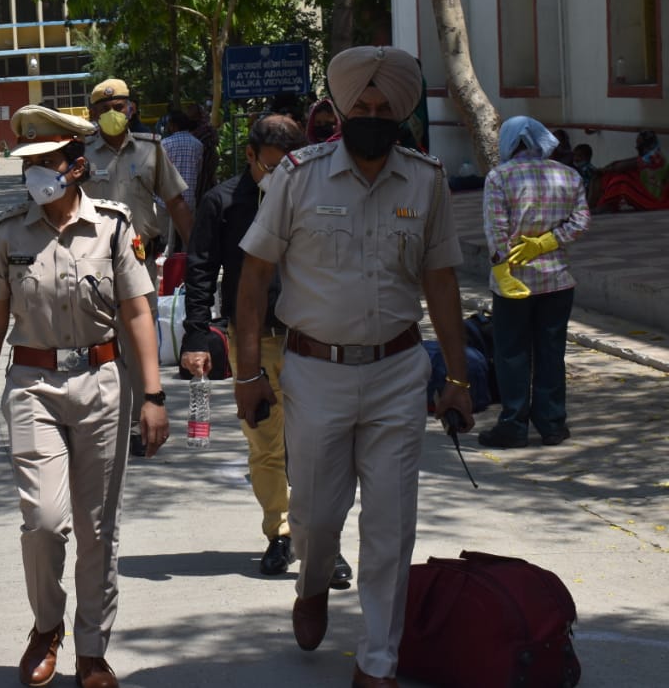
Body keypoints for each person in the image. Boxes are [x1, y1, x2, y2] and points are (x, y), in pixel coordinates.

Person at [233, 46, 474, 688]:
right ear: (341, 112)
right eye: (359, 107)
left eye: (382, 108)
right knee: (313, 512)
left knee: (392, 522)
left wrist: (456, 380)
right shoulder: (298, 176)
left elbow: (443, 283)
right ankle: (312, 583)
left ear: (399, 115)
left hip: (398, 372)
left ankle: (378, 661)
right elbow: (255, 277)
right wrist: (248, 371)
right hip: (315, 373)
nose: (371, 115)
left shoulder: (426, 180)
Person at [0, 105, 168, 688]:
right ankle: (45, 626)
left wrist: (152, 393)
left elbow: (137, 313)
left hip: (104, 384)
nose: (35, 174)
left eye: (46, 162)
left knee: (98, 527)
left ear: (76, 165)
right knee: (46, 522)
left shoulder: (112, 225)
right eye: (28, 163)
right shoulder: (9, 233)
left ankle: (90, 649)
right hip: (33, 386)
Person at [179, 114, 353, 588]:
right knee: (265, 442)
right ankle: (279, 532)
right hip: (251, 341)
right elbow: (200, 270)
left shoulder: (318, 198)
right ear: (251, 156)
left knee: (319, 447)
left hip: (314, 340)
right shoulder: (223, 202)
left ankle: (324, 543)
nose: (281, 175)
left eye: (291, 165)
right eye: (272, 165)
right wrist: (196, 337)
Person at [84, 78, 192, 456]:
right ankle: (99, 425)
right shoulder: (81, 153)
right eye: (106, 108)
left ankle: (139, 422)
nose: (115, 114)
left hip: (139, 261)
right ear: (93, 113)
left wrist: (196, 255)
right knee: (96, 347)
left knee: (137, 345)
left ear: (131, 109)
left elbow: (176, 203)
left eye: (121, 107)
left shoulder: (151, 150)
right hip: (90, 268)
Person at [478, 116, 590, 449]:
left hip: (514, 283)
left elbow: (496, 229)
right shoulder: (568, 175)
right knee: (550, 353)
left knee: (512, 354)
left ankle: (513, 425)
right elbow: (582, 221)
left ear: (509, 142)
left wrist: (501, 268)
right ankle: (553, 424)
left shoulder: (499, 177)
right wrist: (548, 242)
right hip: (557, 282)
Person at [158, 109, 203, 253]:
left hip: (164, 201)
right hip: (188, 200)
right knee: (188, 242)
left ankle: (166, 271)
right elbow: (199, 169)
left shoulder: (164, 144)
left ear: (172, 126)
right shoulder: (198, 145)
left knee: (164, 244)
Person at [592, 130, 669, 213]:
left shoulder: (654, 157)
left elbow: (623, 166)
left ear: (647, 144)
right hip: (649, 194)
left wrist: (606, 169)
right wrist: (609, 168)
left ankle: (607, 205)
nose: (637, 147)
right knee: (611, 175)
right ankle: (603, 204)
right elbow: (627, 163)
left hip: (653, 200)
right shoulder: (653, 154)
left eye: (639, 145)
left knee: (622, 179)